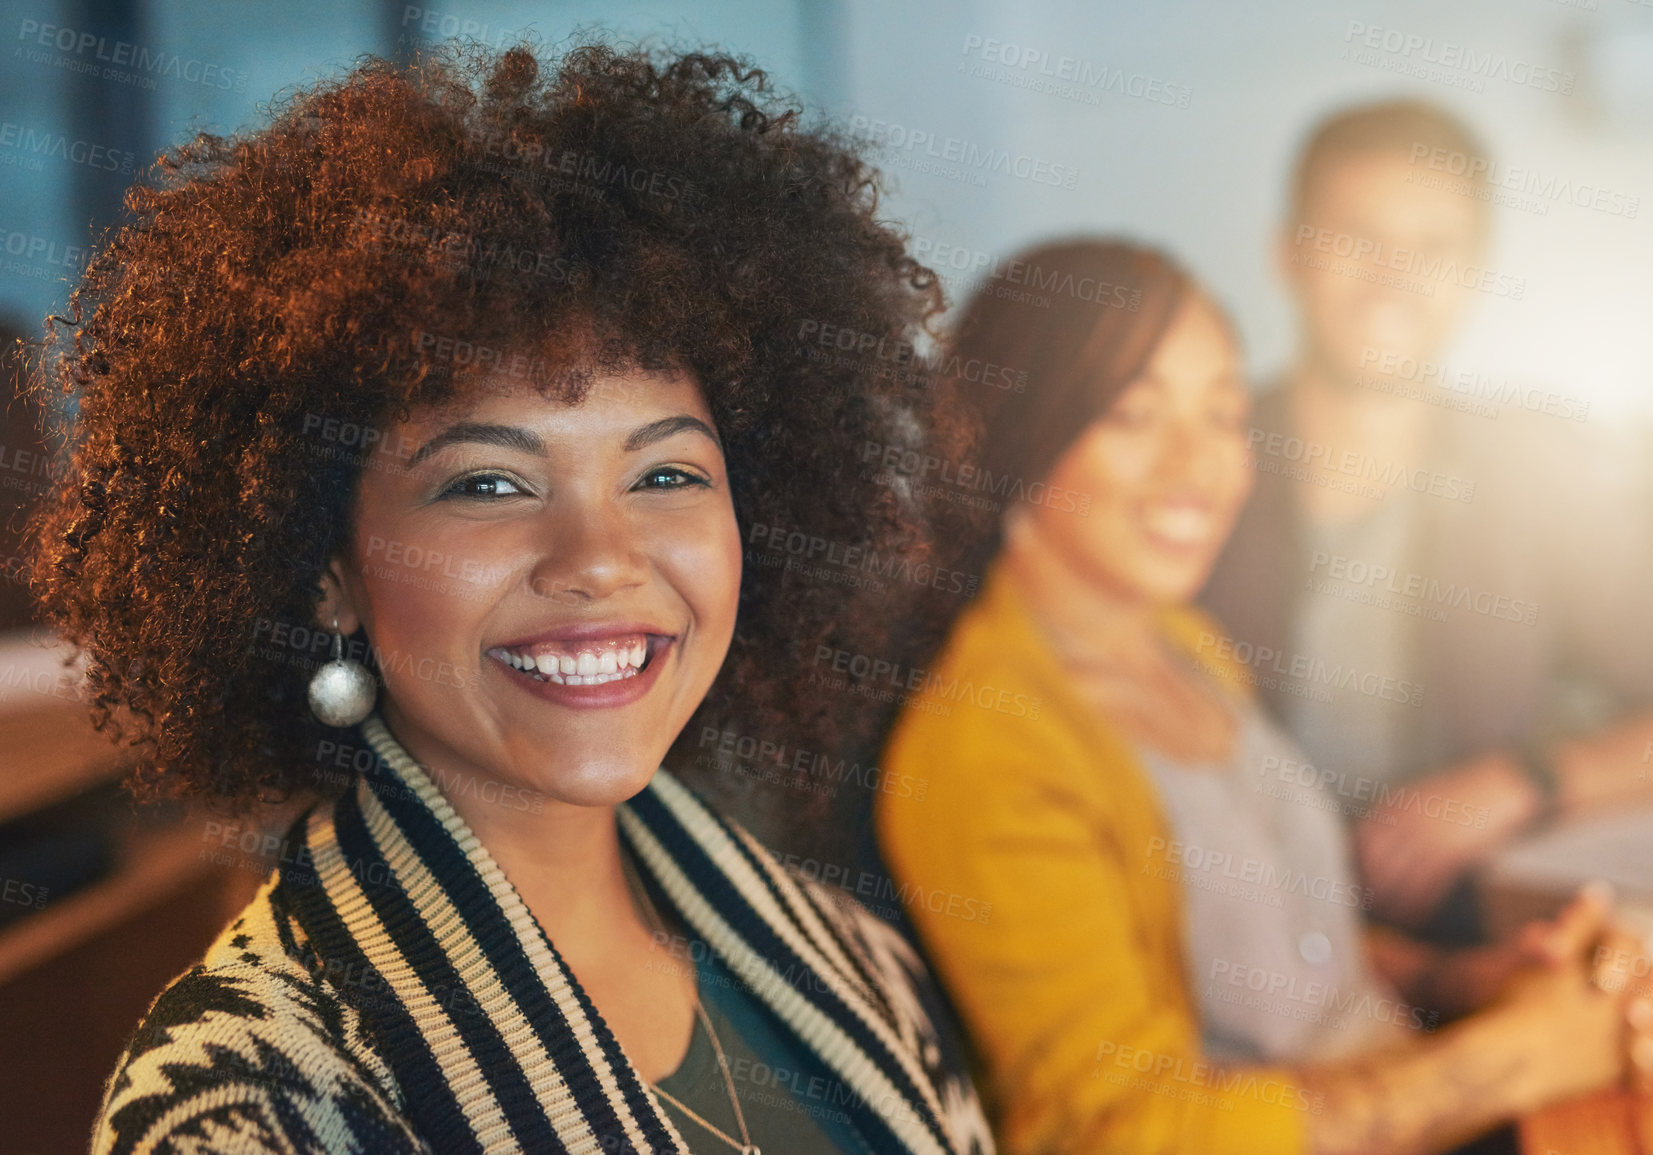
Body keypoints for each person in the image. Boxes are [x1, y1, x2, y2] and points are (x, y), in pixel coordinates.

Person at [30, 41, 994, 1155]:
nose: (598, 556)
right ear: (324, 564)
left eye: (666, 474)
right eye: (489, 484)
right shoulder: (247, 1106)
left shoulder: (855, 962)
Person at [876, 239, 1653, 1155]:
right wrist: (1513, 1058)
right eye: (1134, 415)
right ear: (1017, 436)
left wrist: (1478, 980)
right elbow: (1118, 1134)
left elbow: (1295, 950)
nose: (1198, 466)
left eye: (1222, 414)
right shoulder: (986, 751)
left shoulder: (1182, 642)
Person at [1199, 99, 1653, 935]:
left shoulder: (1539, 472)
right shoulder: (1195, 457)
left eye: (1431, 248)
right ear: (1289, 254)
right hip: (1223, 924)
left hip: (1476, 929)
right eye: (1358, 238)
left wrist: (1519, 782)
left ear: (1476, 270)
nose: (1392, 279)